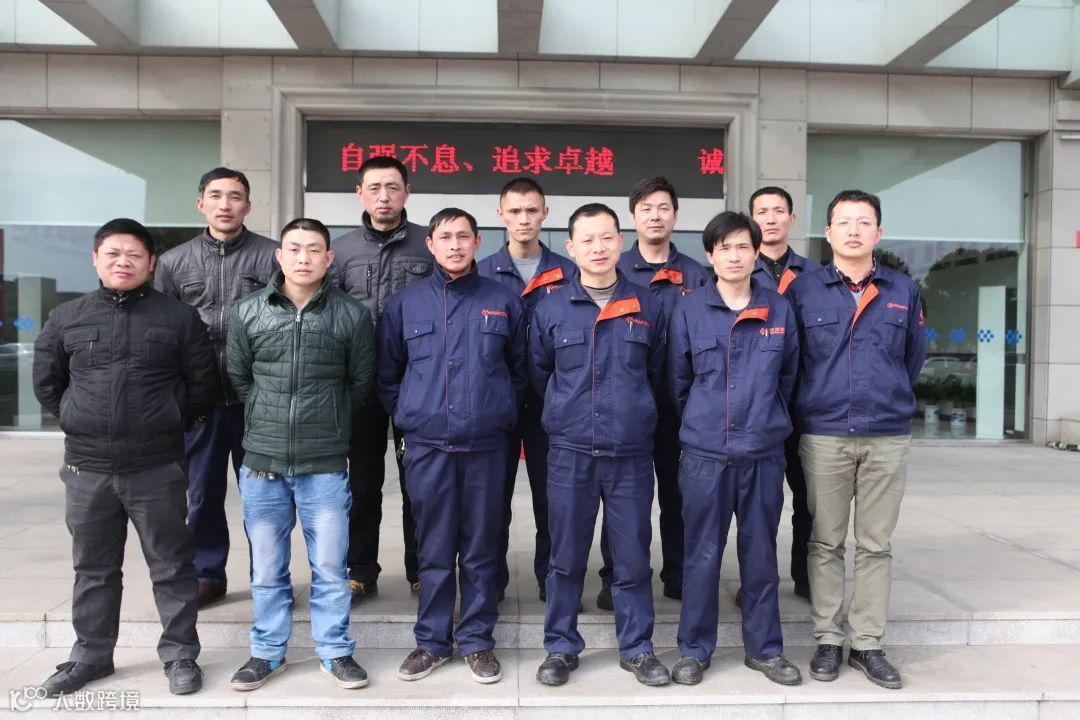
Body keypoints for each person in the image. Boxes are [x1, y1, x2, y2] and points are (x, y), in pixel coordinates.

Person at [33, 218, 218, 697]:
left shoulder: (178, 317)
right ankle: (91, 656)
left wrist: (168, 419)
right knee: (93, 568)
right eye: (112, 253)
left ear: (151, 263)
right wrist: (76, 417)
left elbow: (202, 385)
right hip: (88, 468)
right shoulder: (67, 317)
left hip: (157, 466)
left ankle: (180, 654)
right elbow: (48, 383)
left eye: (134, 254)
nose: (123, 262)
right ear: (95, 259)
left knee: (172, 565)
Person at [378, 208, 527, 684]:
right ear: (431, 244)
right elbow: (388, 374)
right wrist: (414, 413)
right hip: (428, 447)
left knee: (483, 546)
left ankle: (478, 641)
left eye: (464, 236)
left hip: (487, 446)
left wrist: (497, 412)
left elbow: (521, 371)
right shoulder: (405, 304)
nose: (455, 245)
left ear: (478, 242)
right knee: (435, 548)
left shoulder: (503, 301)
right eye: (446, 237)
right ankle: (432, 642)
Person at [226, 218, 376, 691]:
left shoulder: (351, 315)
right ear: (280, 256)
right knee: (267, 569)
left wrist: (328, 422)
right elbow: (240, 378)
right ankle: (267, 652)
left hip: (324, 463)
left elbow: (360, 384)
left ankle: (335, 652)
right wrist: (268, 421)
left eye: (314, 249)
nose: (304, 257)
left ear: (329, 258)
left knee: (330, 568)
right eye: (294, 248)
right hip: (262, 463)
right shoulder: (249, 312)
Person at [786, 190, 926, 690]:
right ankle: (828, 637)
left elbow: (913, 358)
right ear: (827, 233)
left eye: (863, 222)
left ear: (878, 233)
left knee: (875, 544)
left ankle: (867, 643)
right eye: (843, 222)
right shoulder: (803, 291)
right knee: (825, 541)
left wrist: (889, 399)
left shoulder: (903, 289)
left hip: (886, 434)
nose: (853, 230)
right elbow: (792, 363)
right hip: (824, 434)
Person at [530, 203, 669, 688]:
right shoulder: (550, 308)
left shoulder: (648, 305)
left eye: (607, 237)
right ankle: (560, 646)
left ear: (620, 241)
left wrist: (636, 413)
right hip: (570, 452)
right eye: (587, 239)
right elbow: (539, 373)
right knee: (565, 557)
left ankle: (637, 647)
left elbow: (659, 375)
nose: (598, 247)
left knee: (632, 557)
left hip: (630, 454)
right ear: (570, 248)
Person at [666, 211, 802, 687]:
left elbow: (789, 377)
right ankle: (694, 650)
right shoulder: (690, 310)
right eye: (724, 248)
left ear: (756, 252)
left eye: (743, 246)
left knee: (761, 556)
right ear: (710, 255)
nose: (735, 256)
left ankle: (765, 650)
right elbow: (678, 382)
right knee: (701, 555)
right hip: (705, 456)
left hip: (763, 453)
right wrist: (704, 424)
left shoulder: (778, 309)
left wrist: (766, 420)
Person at [154, 167, 277, 607]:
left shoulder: (272, 256)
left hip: (257, 398)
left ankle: (269, 576)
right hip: (201, 400)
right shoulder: (174, 263)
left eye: (235, 196)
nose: (226, 204)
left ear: (248, 205)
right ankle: (207, 573)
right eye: (216, 195)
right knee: (202, 493)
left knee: (264, 495)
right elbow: (162, 332)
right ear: (200, 203)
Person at [595, 176, 708, 610]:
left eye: (663, 208)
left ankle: (678, 574)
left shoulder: (697, 275)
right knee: (622, 500)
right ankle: (616, 577)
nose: (655, 216)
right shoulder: (615, 268)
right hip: (624, 409)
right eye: (646, 208)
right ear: (633, 217)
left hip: (682, 411)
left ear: (675, 215)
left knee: (680, 497)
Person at [331, 155, 433, 601]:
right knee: (362, 484)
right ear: (360, 193)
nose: (384, 196)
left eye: (393, 187)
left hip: (416, 382)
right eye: (374, 188)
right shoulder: (341, 251)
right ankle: (360, 570)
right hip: (359, 385)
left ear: (407, 191)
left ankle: (422, 569)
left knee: (419, 483)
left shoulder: (428, 245)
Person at [477, 177, 576, 603]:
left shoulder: (570, 273)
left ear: (545, 214)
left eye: (532, 210)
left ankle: (552, 579)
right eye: (515, 211)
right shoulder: (481, 273)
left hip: (552, 405)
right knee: (491, 501)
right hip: (496, 404)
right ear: (501, 214)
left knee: (552, 501)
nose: (523, 219)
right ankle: (490, 581)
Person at [734, 185, 812, 605]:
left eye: (778, 211)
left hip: (805, 407)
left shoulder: (816, 276)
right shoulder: (736, 272)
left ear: (791, 219)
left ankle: (805, 575)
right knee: (754, 508)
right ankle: (753, 584)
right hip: (753, 409)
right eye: (761, 211)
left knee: (807, 500)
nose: (770, 218)